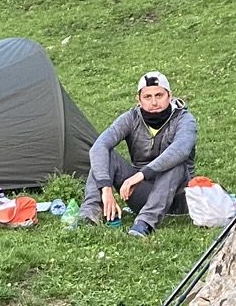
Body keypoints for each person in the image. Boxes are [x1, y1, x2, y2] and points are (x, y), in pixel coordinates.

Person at [83, 71, 198, 236]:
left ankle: (145, 223)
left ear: (170, 96)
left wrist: (141, 175)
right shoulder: (131, 118)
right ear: (139, 100)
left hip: (177, 197)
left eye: (159, 95)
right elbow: (99, 146)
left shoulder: (185, 119)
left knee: (177, 162)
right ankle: (89, 214)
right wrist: (105, 187)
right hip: (142, 194)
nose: (154, 102)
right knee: (105, 155)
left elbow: (181, 149)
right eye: (148, 97)